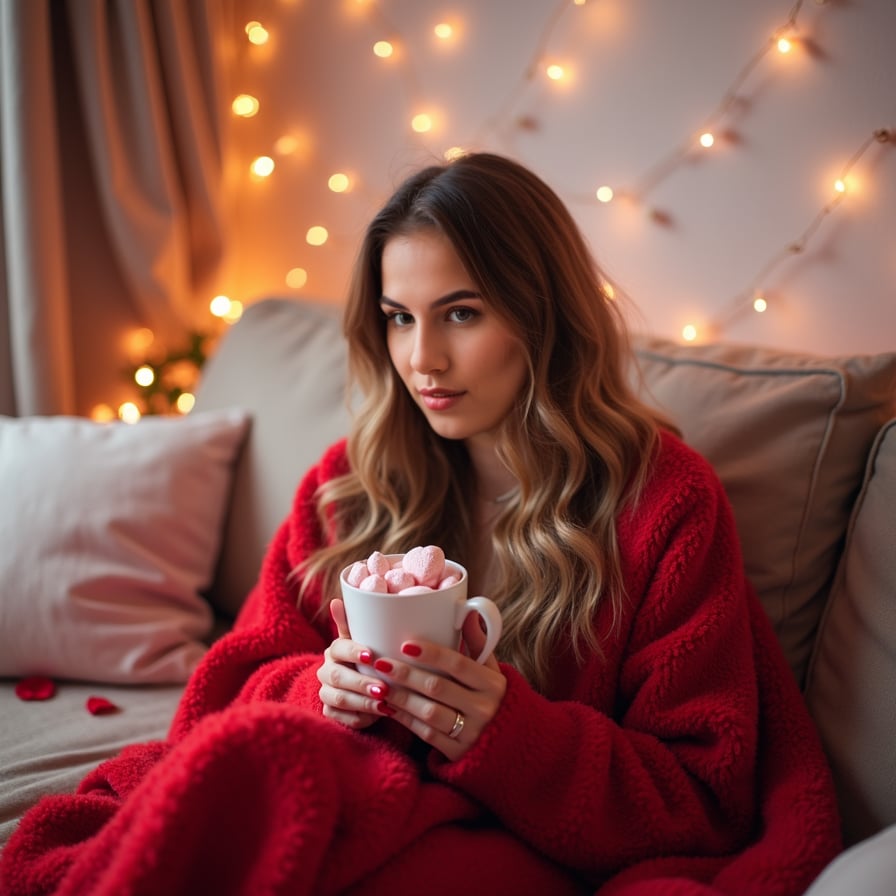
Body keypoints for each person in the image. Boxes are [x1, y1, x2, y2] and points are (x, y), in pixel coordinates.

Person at [0, 153, 841, 895]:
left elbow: (703, 792)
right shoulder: (350, 483)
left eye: (462, 313)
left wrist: (509, 733)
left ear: (541, 316)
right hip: (347, 794)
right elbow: (228, 696)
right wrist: (317, 692)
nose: (423, 360)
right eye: (399, 317)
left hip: (519, 839)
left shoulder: (663, 502)